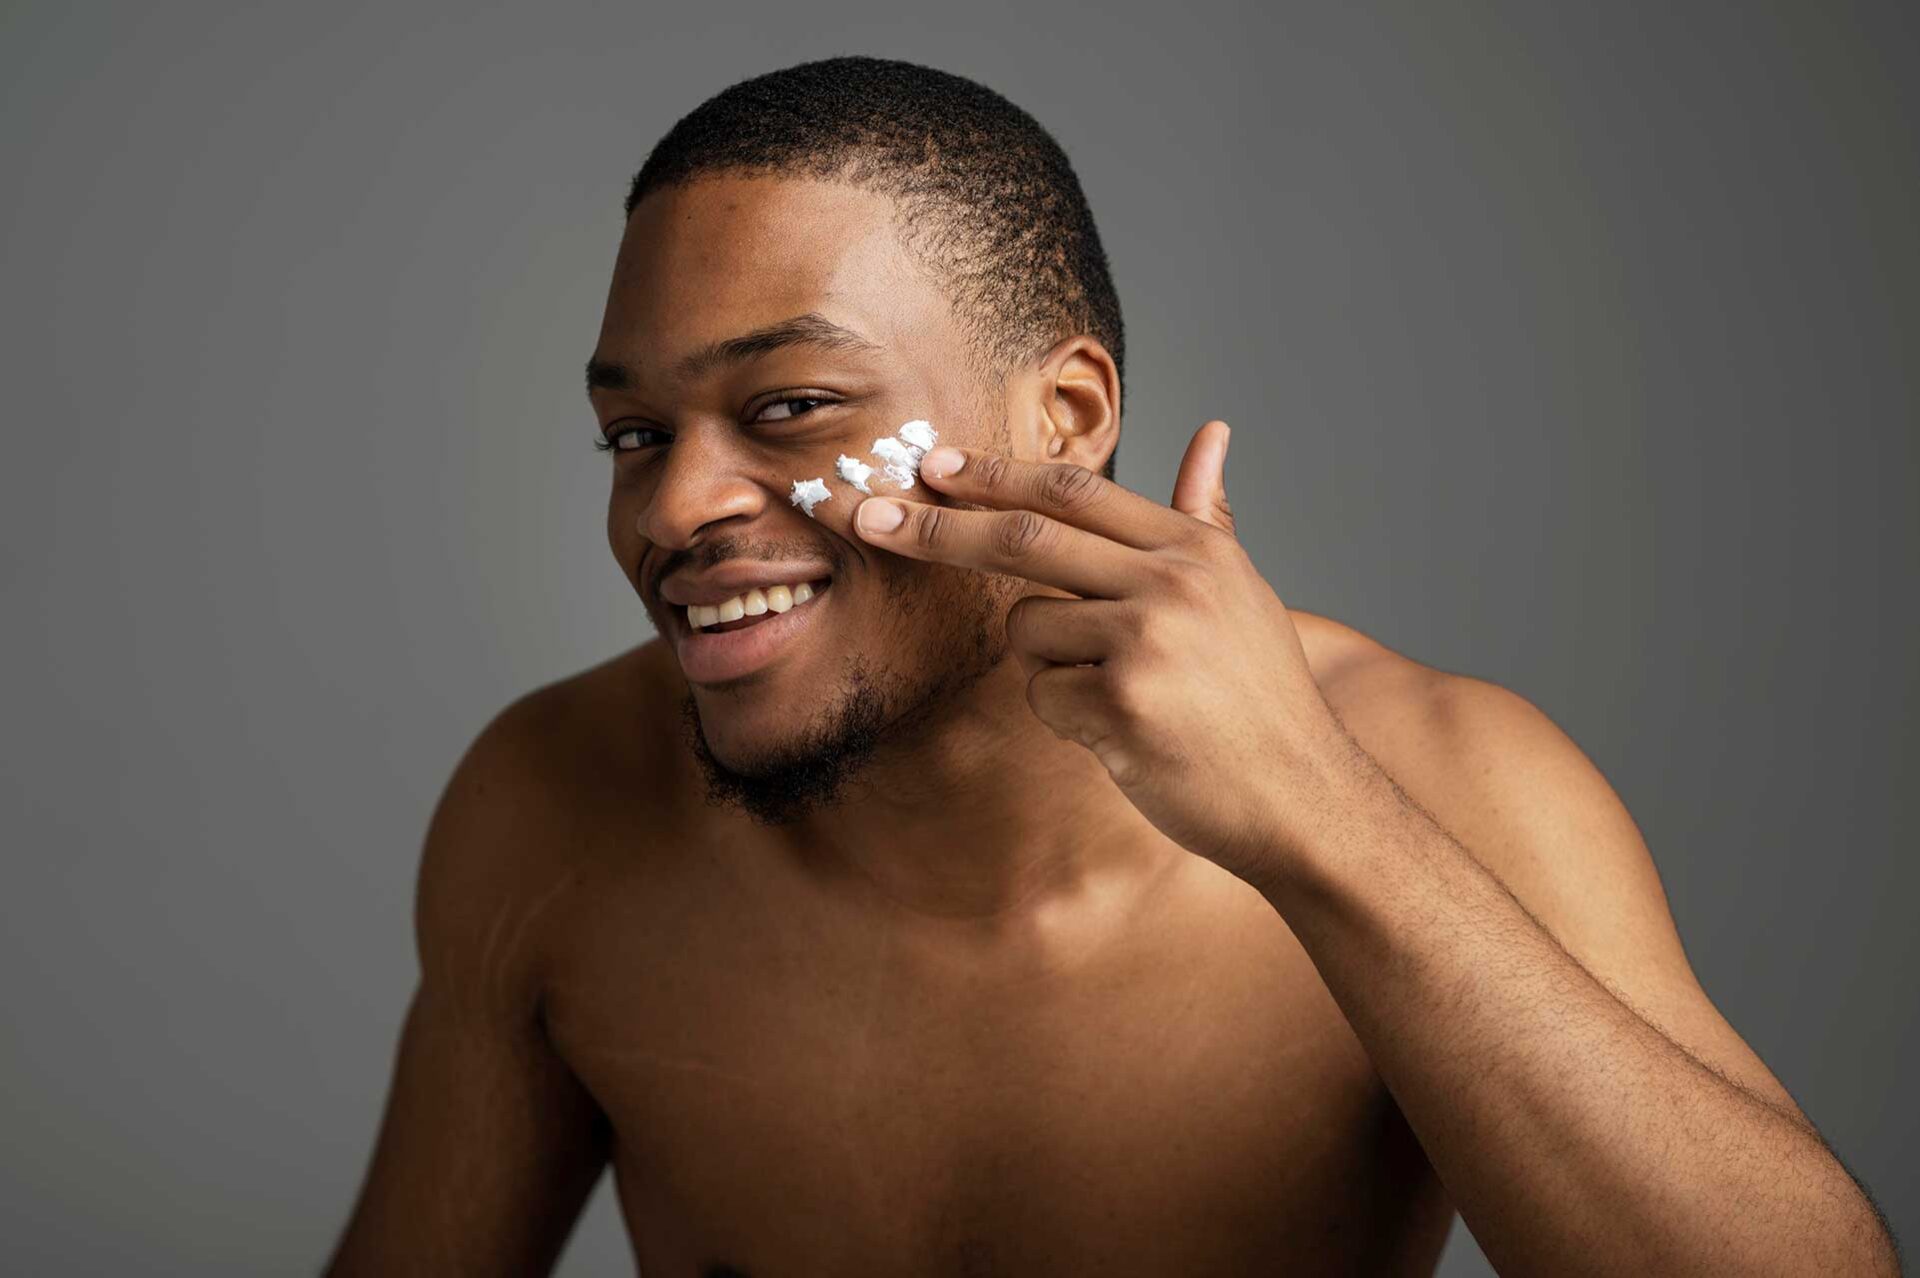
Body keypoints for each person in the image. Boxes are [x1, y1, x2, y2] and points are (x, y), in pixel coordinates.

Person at [322, 55, 1898, 1277]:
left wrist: (1321, 823)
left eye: (791, 405)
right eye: (635, 434)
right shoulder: (557, 806)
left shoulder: (1443, 777)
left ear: (1066, 421)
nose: (669, 507)